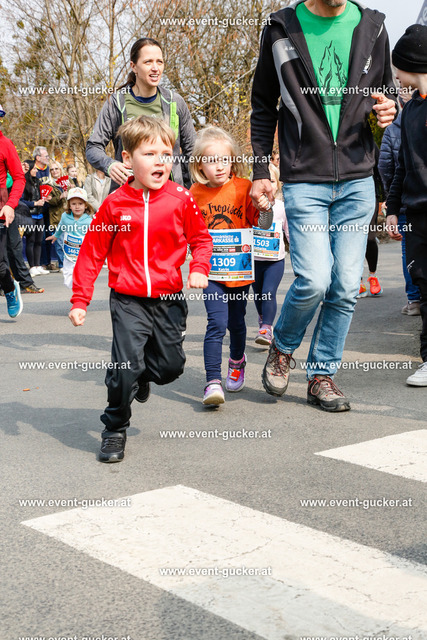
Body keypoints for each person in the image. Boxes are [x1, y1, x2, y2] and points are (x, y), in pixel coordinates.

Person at [250, 0, 396, 412]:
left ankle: (321, 376)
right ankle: (283, 347)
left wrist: (390, 107)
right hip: (304, 177)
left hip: (357, 178)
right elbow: (263, 104)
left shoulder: (373, 26)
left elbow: (385, 93)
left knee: (347, 285)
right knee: (314, 279)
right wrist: (260, 168)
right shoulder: (281, 28)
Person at [69, 116, 213, 462]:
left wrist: (198, 268)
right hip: (128, 299)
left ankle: (142, 373)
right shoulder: (115, 204)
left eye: (166, 154)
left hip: (168, 298)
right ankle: (115, 428)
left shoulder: (180, 199)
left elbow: (201, 239)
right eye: (149, 154)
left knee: (170, 368)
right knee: (123, 369)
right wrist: (79, 300)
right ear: (127, 158)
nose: (160, 161)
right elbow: (91, 253)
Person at [190, 126, 273, 406]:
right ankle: (212, 381)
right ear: (199, 165)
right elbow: (187, 231)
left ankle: (237, 360)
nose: (219, 166)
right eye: (212, 161)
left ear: (233, 160)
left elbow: (263, 224)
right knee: (216, 323)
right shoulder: (194, 193)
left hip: (239, 270)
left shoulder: (244, 187)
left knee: (237, 324)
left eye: (224, 160)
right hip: (211, 271)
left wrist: (265, 208)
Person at [86, 37, 196, 191]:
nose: (155, 68)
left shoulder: (175, 102)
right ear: (134, 66)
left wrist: (190, 186)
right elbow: (93, 147)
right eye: (148, 62)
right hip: (130, 195)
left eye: (159, 62)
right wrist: (109, 165)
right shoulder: (116, 102)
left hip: (169, 194)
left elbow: (193, 151)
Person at [386, 24, 427, 387]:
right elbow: (400, 165)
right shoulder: (408, 111)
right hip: (416, 215)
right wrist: (392, 209)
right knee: (424, 286)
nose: (395, 74)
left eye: (397, 66)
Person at [379, 89, 421, 316]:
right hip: (416, 198)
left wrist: (391, 197)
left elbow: (385, 166)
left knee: (409, 251)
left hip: (403, 200)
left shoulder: (392, 130)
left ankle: (414, 300)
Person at [252, 162, 288, 345]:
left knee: (268, 292)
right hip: (253, 262)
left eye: (272, 181)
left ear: (278, 185)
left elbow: (289, 232)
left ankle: (267, 327)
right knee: (258, 295)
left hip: (275, 261)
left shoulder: (282, 207)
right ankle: (262, 318)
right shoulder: (250, 206)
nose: (268, 186)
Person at [0, 104, 26, 317]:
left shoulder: (5, 144)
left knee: (0, 266)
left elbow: (19, 178)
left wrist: (10, 204)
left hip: (1, 208)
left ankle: (10, 289)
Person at [47, 188, 93, 288]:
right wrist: (56, 235)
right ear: (69, 205)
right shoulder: (65, 216)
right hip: (69, 253)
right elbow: (61, 226)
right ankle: (73, 285)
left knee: (83, 274)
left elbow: (94, 237)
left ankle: (80, 287)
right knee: (68, 275)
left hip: (83, 253)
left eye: (80, 204)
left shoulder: (89, 221)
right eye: (73, 204)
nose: (77, 207)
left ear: (85, 205)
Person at [19, 161, 50, 277]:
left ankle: (37, 265)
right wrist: (34, 203)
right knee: (31, 241)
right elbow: (21, 200)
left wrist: (45, 199)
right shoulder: (23, 182)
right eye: (34, 169)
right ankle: (32, 267)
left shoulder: (38, 182)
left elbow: (40, 196)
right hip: (29, 215)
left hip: (39, 215)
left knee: (39, 241)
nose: (36, 171)